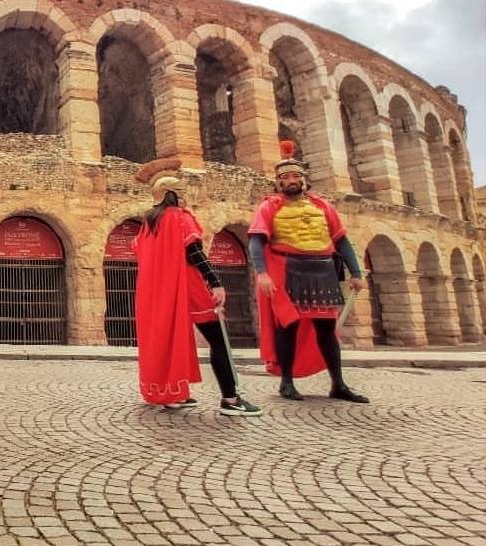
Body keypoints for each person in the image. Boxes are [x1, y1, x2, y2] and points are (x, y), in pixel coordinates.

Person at [132, 159, 261, 416]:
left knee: (165, 340)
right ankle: (231, 400)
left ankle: (169, 393)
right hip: (190, 287)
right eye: (180, 193)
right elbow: (195, 253)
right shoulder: (181, 218)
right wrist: (215, 283)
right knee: (219, 341)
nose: (184, 198)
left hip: (158, 293)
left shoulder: (148, 224)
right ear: (172, 195)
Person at [249, 140, 369, 403]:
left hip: (322, 270)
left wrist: (356, 273)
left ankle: (338, 384)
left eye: (295, 176)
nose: (290, 181)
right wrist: (262, 273)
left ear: (304, 180)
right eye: (285, 178)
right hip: (287, 269)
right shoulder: (269, 206)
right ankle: (287, 382)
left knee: (327, 329)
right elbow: (256, 241)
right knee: (287, 327)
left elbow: (342, 241)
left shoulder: (323, 206)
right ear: (278, 182)